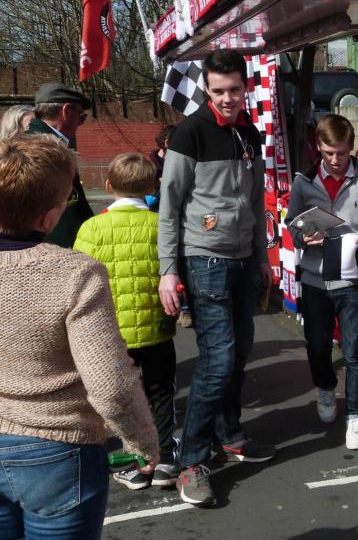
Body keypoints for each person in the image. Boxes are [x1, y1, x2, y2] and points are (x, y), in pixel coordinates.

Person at [0, 135, 159, 539]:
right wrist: (143, 441)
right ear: (48, 217)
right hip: (57, 448)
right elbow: (110, 386)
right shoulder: (74, 273)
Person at [158, 49, 275, 507]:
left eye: (234, 90)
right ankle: (190, 461)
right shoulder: (190, 134)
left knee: (239, 352)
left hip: (244, 258)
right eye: (218, 91)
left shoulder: (249, 132)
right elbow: (169, 208)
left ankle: (231, 437)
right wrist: (170, 271)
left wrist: (263, 256)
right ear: (207, 89)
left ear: (246, 88)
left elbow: (258, 198)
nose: (227, 99)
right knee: (218, 360)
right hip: (205, 259)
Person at [74, 153, 179, 492]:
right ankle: (164, 460)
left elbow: (78, 280)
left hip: (111, 332)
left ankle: (134, 462)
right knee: (161, 393)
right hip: (157, 327)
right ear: (152, 187)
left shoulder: (91, 228)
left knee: (119, 398)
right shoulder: (160, 224)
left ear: (108, 185)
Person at [285, 114, 358, 450]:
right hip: (315, 279)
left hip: (353, 278)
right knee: (317, 346)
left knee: (354, 350)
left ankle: (356, 414)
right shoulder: (304, 183)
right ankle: (326, 388)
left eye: (342, 154)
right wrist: (304, 238)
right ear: (319, 147)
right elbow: (291, 224)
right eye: (329, 153)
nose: (335, 160)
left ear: (351, 148)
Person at [25, 83, 94, 247]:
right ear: (67, 110)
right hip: (55, 248)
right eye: (81, 117)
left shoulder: (27, 141)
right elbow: (65, 211)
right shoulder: (49, 150)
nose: (80, 123)